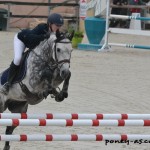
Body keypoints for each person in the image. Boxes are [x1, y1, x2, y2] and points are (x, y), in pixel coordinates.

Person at [0, 13, 64, 95]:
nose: (58, 27)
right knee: (18, 59)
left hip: (33, 46)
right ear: (50, 23)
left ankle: (50, 86)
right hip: (22, 40)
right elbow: (31, 39)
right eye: (57, 25)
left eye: (60, 25)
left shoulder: (55, 33)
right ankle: (7, 84)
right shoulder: (41, 28)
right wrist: (44, 36)